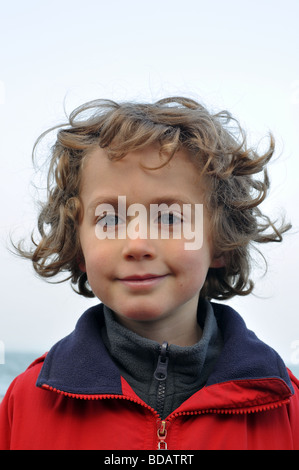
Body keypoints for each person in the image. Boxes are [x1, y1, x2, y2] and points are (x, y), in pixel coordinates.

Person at [1, 97, 298, 450]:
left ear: (220, 243)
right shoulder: (25, 401)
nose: (137, 243)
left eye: (169, 218)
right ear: (77, 246)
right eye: (109, 219)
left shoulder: (285, 405)